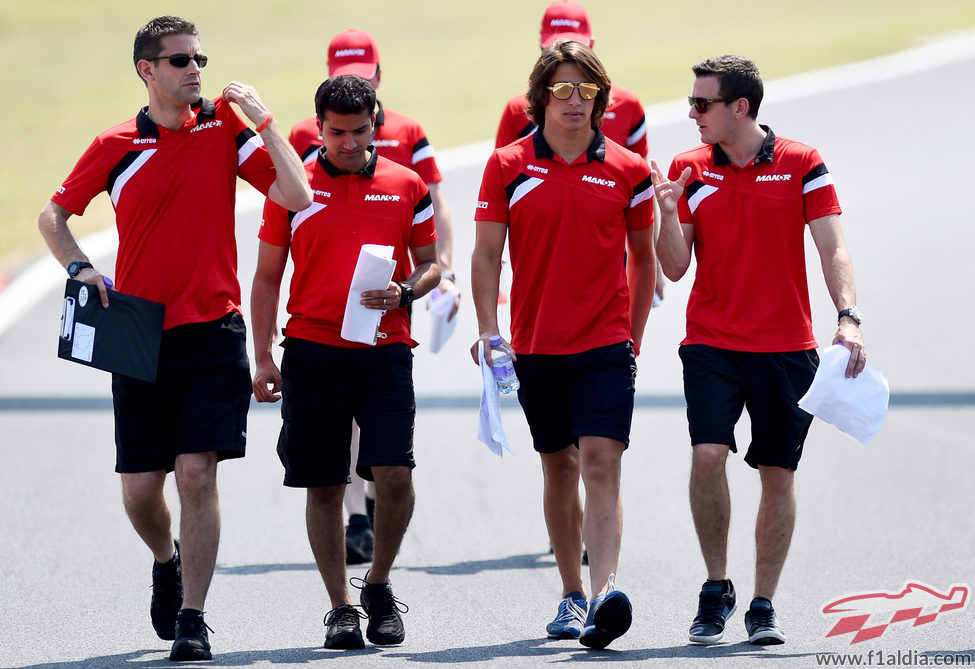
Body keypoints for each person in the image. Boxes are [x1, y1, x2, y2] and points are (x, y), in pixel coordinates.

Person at [37, 15, 312, 662]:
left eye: (199, 59)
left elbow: (296, 195)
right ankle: (167, 556)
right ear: (147, 70)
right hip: (136, 331)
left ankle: (193, 616)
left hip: (214, 329)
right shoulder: (114, 145)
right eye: (181, 60)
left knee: (196, 472)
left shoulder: (223, 130)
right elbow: (52, 215)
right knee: (139, 490)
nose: (196, 70)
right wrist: (79, 266)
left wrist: (266, 121)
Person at [651, 54, 866, 646]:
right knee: (706, 458)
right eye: (691, 102)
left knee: (777, 472)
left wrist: (847, 318)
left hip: (786, 348)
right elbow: (673, 268)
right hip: (711, 344)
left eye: (702, 103)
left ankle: (763, 602)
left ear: (739, 107)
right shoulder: (687, 167)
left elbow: (833, 249)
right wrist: (667, 214)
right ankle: (716, 588)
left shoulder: (803, 162)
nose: (691, 113)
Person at [471, 39, 656, 650]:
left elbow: (643, 260)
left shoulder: (627, 169)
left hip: (606, 343)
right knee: (560, 465)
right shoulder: (507, 165)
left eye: (587, 91)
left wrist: (632, 338)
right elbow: (486, 255)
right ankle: (572, 591)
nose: (575, 102)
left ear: (602, 99)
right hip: (537, 344)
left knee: (603, 462)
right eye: (562, 90)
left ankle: (604, 595)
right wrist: (487, 330)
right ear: (540, 99)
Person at [251, 74, 440, 650]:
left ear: (375, 123)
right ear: (319, 128)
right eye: (337, 132)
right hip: (312, 350)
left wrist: (406, 292)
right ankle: (339, 607)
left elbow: (433, 264)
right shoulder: (292, 186)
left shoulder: (407, 184)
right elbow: (265, 277)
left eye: (360, 131)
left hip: (385, 351)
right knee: (326, 483)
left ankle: (378, 584)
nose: (349, 143)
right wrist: (260, 355)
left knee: (396, 476)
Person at [289, 29, 460, 563]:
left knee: (386, 452)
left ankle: (371, 533)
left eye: (366, 80)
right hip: (317, 336)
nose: (350, 140)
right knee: (331, 455)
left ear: (378, 79)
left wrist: (436, 275)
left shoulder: (407, 134)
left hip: (386, 332)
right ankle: (357, 519)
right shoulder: (299, 142)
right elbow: (286, 218)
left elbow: (432, 201)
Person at [495, 0, 664, 309]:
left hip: (608, 250)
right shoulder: (516, 110)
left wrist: (652, 262)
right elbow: (503, 199)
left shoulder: (628, 105)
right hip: (540, 260)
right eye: (553, 46)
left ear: (592, 45)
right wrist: (499, 273)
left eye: (575, 45)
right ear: (540, 44)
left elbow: (643, 189)